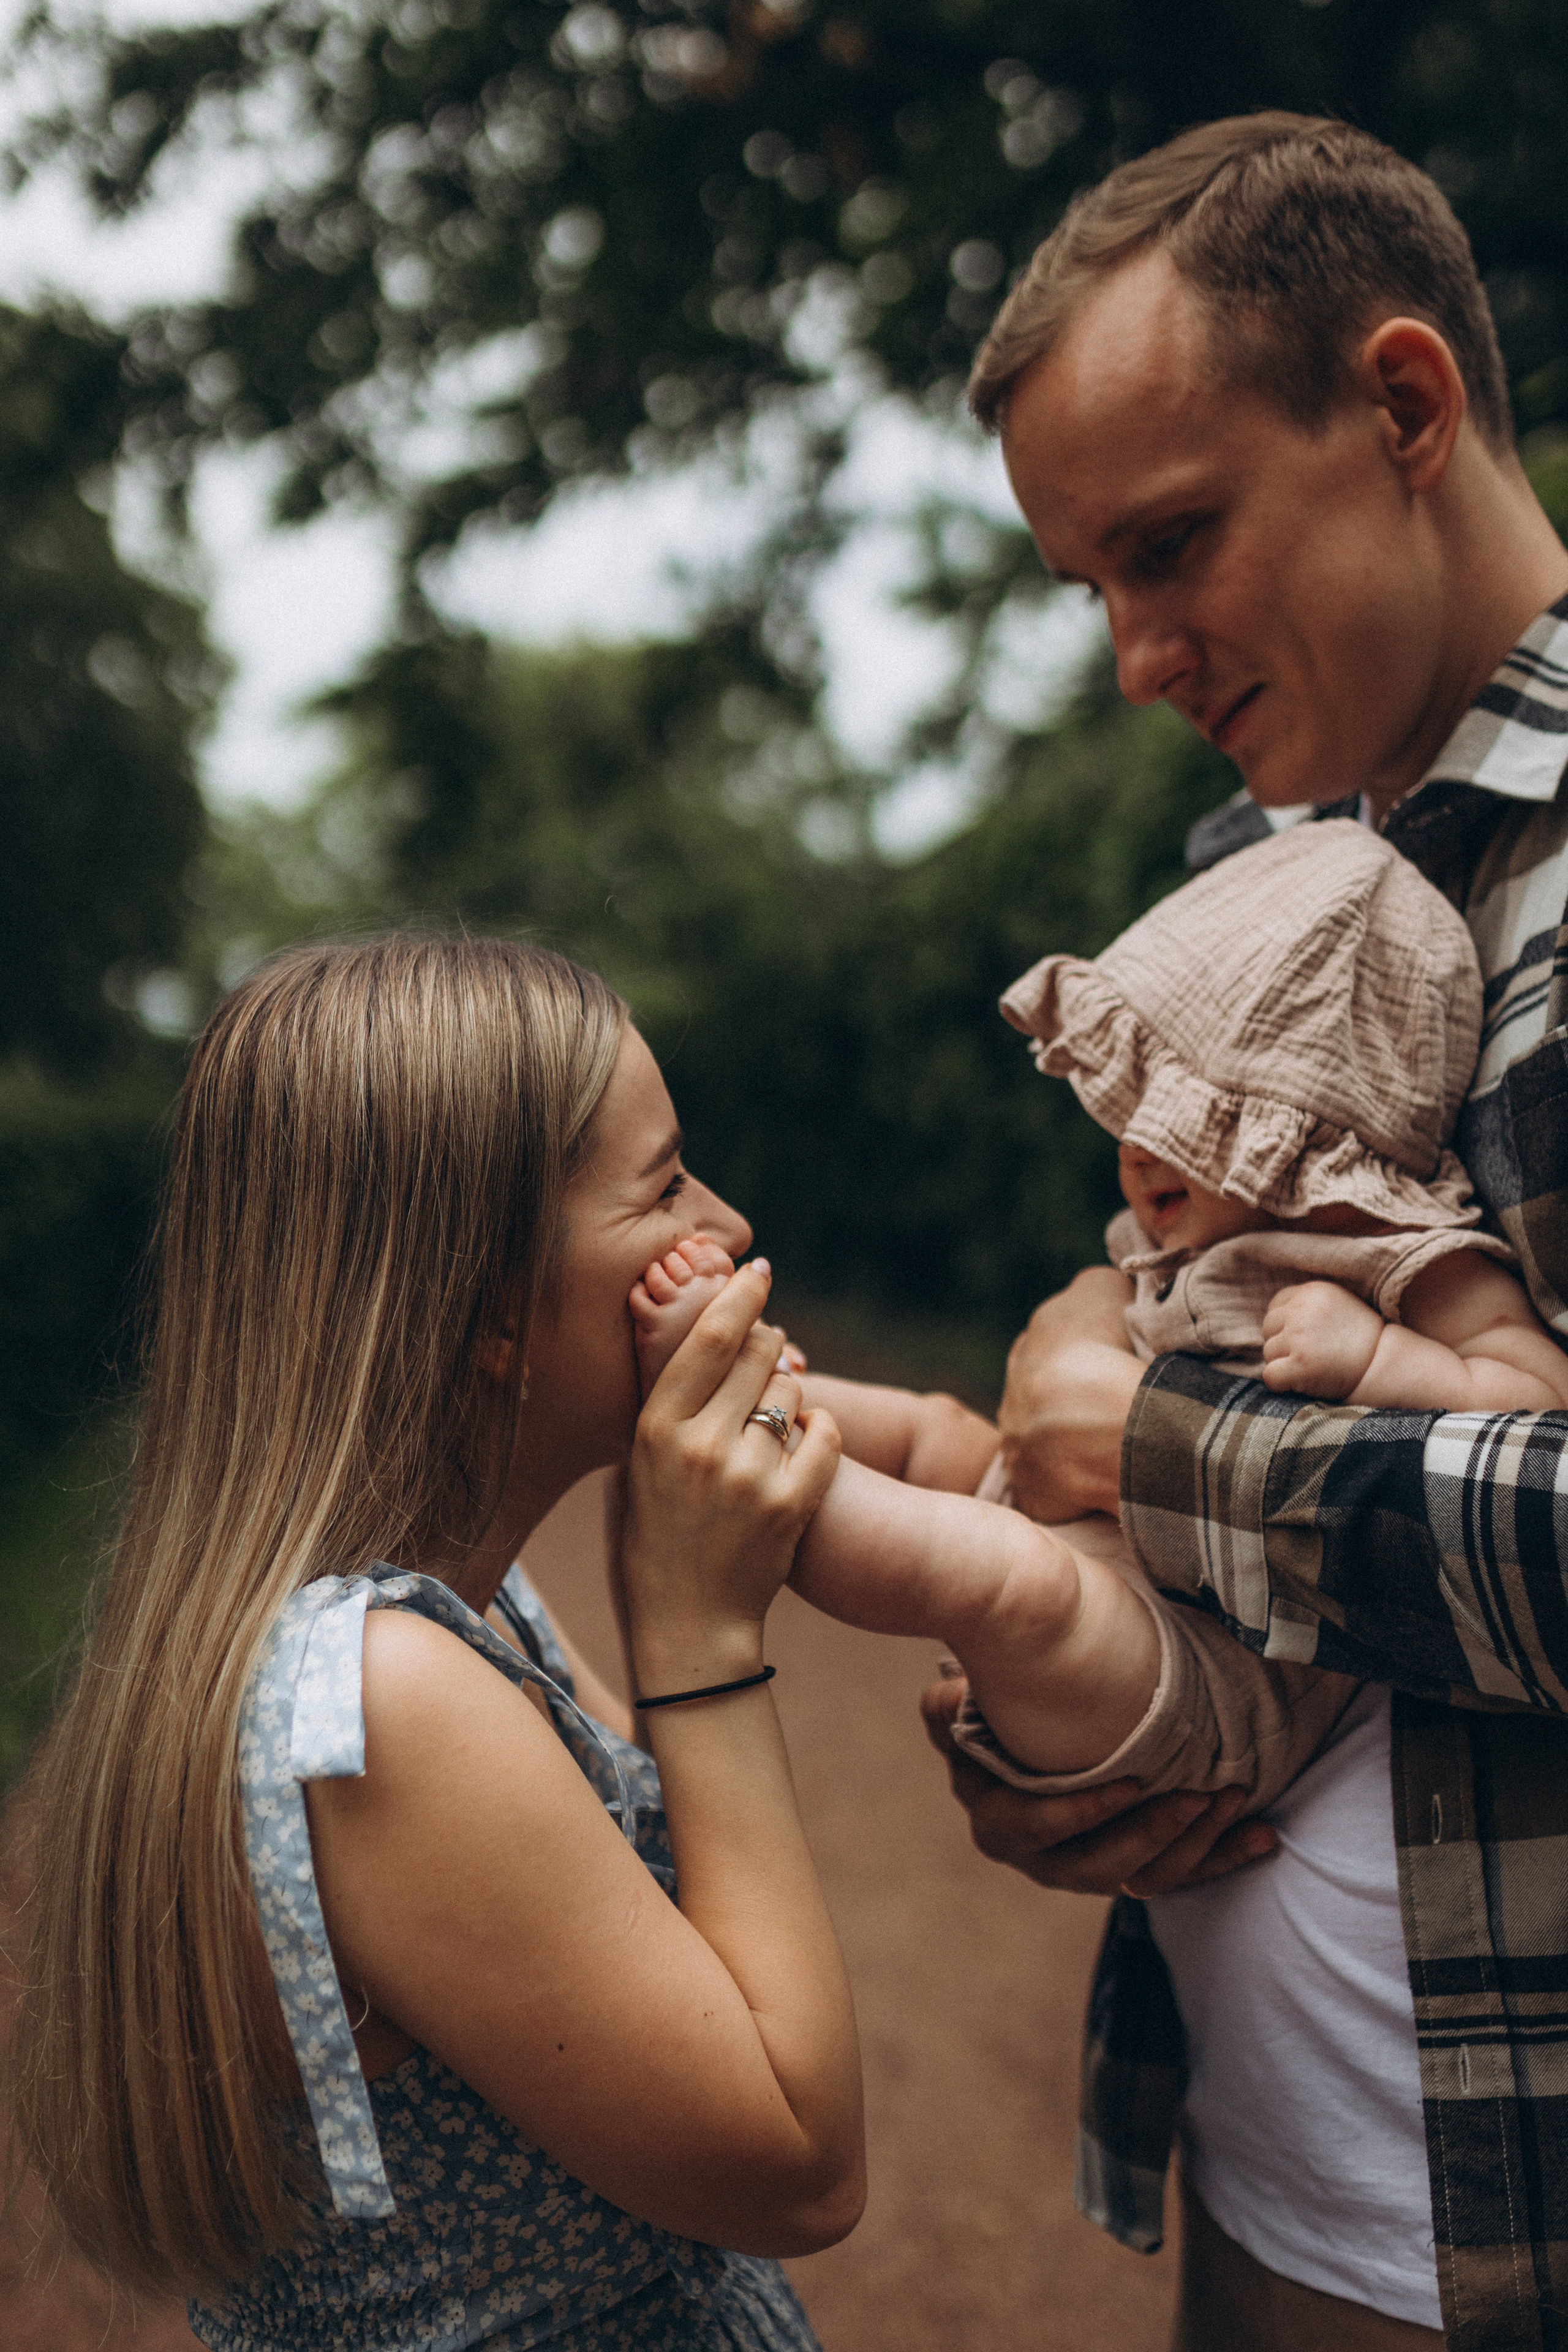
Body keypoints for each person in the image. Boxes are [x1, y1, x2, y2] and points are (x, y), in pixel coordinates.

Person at [921, 111, 1568, 2351]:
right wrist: (1065, 1729)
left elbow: (1166, 1399)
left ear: (1403, 408)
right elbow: (1142, 1294)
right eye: (1091, 583)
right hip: (1271, 2162)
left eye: (1170, 545)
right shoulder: (1252, 867)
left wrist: (1163, 1452)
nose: (1133, 652)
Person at [12, 936, 864, 2352]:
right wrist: (698, 1625)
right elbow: (797, 2160)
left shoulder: (435, 1612)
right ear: (485, 1306)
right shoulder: (382, 1702)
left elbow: (675, 1920)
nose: (723, 1218)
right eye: (661, 1188)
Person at [628, 820, 1568, 1815]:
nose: (1135, 1147)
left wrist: (1380, 1357)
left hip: (1194, 1665)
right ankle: (747, 1384)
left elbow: (1538, 1399)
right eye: (1133, 1111)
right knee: (932, 1431)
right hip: (1067, 1516)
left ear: (1316, 1141)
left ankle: (750, 1454)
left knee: (1004, 1581)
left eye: (1185, 1117)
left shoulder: (1413, 1259)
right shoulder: (1189, 1232)